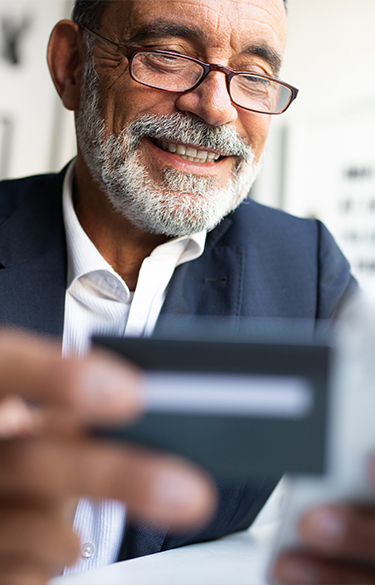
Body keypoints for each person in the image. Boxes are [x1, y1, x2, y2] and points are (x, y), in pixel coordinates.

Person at [0, 0, 373, 583]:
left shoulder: (305, 268)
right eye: (169, 56)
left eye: (253, 75)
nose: (217, 108)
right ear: (72, 66)